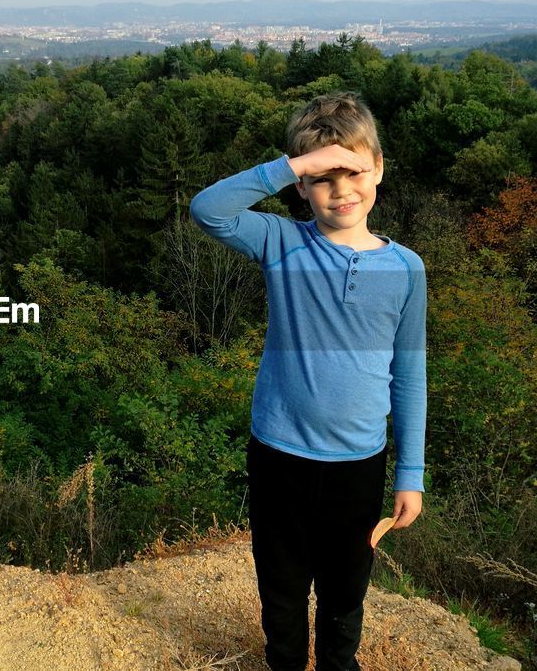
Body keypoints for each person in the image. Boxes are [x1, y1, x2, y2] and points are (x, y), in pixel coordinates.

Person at [187, 91, 427, 671]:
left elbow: (410, 374)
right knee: (283, 590)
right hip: (278, 454)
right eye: (323, 178)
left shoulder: (406, 268)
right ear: (302, 187)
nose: (341, 190)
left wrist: (411, 473)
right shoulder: (282, 243)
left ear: (379, 171)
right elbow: (208, 209)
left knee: (345, 595)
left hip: (358, 463)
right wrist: (294, 164)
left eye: (354, 172)